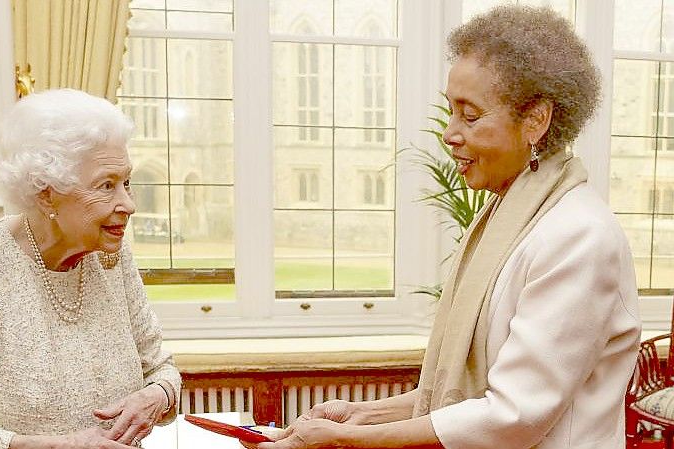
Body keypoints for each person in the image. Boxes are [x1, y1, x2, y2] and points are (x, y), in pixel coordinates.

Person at [246, 5, 640, 449]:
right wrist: (363, 415)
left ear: (535, 120)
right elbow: (470, 396)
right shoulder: (505, 217)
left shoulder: (578, 236)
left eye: (469, 116)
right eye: (451, 112)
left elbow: (512, 414)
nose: (449, 133)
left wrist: (347, 440)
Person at [0, 89, 181, 449]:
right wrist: (59, 445)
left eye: (126, 183)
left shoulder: (111, 257)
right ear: (47, 193)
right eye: (106, 186)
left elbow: (161, 368)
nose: (128, 204)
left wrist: (155, 396)